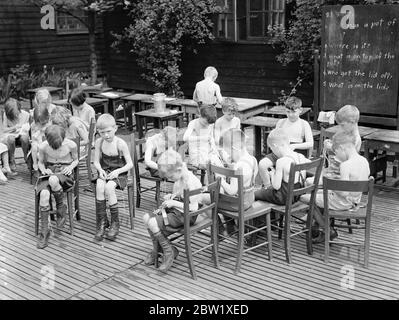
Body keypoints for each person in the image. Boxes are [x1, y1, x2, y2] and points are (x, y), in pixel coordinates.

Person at [302, 130, 370, 243]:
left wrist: (330, 185)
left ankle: (327, 230)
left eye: (336, 152)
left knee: (305, 198)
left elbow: (343, 193)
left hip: (343, 202)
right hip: (356, 200)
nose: (337, 156)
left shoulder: (345, 165)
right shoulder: (364, 161)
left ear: (343, 148)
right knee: (316, 195)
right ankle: (316, 227)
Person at [142, 149, 203, 273]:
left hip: (186, 215)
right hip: (177, 211)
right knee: (146, 218)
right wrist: (172, 196)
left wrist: (174, 202)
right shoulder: (180, 176)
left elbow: (194, 208)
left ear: (179, 170)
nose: (170, 178)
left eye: (170, 176)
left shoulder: (191, 182)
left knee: (153, 223)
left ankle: (168, 251)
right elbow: (180, 194)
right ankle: (159, 250)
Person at [36, 125, 79, 249]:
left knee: (53, 180)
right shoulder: (43, 146)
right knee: (44, 195)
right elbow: (40, 162)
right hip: (50, 170)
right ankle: (45, 231)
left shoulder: (71, 145)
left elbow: (76, 160)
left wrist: (70, 167)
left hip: (65, 173)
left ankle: (60, 206)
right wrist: (43, 170)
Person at [93, 114, 133, 241]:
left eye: (108, 131)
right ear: (98, 132)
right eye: (102, 132)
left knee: (109, 188)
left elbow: (130, 164)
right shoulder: (99, 142)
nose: (106, 135)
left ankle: (115, 223)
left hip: (119, 172)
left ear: (115, 128)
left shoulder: (120, 144)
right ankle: (102, 222)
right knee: (100, 187)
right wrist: (99, 170)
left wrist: (118, 172)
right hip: (105, 170)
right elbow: (96, 162)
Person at [258, 96, 313, 187]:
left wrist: (295, 146)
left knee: (285, 170)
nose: (291, 114)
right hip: (278, 152)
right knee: (262, 164)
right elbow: (274, 137)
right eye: (288, 112)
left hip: (293, 154)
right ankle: (268, 186)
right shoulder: (281, 122)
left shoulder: (304, 124)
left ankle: (284, 187)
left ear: (300, 110)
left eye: (294, 112)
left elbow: (310, 143)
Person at [218, 128, 258, 234]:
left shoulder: (238, 167)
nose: (229, 156)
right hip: (249, 199)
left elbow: (232, 191)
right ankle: (231, 227)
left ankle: (221, 230)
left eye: (229, 153)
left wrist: (220, 180)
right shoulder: (253, 160)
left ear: (234, 148)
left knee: (207, 199)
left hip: (238, 204)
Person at [255, 128, 309, 205]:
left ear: (275, 146)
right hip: (297, 195)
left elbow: (276, 186)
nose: (272, 151)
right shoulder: (301, 156)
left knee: (254, 194)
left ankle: (266, 215)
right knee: (265, 192)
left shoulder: (281, 161)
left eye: (271, 148)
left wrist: (272, 174)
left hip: (283, 198)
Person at [322, 104, 361, 179]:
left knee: (310, 182)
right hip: (335, 170)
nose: (340, 127)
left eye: (342, 125)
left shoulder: (356, 139)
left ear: (352, 122)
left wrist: (332, 147)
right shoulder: (347, 132)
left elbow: (345, 156)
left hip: (341, 174)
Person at [182, 104, 223, 169]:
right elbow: (185, 138)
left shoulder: (210, 124)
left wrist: (214, 148)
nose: (207, 125)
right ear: (200, 115)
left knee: (219, 162)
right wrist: (202, 138)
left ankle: (221, 178)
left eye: (209, 124)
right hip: (197, 154)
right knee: (213, 166)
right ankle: (216, 176)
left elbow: (211, 137)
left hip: (207, 152)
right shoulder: (193, 123)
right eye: (205, 123)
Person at [1, 98, 30, 171]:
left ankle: (26, 156)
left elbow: (28, 128)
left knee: (25, 137)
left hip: (21, 135)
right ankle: (12, 160)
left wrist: (22, 129)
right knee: (10, 138)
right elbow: (4, 130)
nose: (15, 114)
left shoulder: (25, 115)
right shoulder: (6, 115)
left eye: (16, 112)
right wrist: (14, 128)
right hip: (11, 136)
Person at [31, 105, 51, 175]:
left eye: (43, 123)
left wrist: (45, 129)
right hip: (38, 142)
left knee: (40, 153)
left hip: (47, 143)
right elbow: (33, 138)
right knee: (34, 146)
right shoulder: (33, 125)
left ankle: (44, 170)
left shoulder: (49, 124)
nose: (42, 125)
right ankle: (35, 163)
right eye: (39, 123)